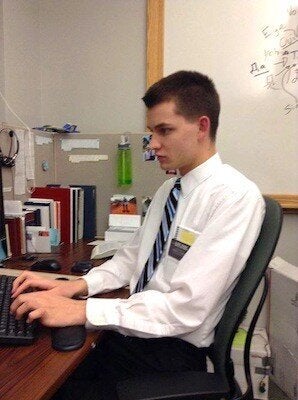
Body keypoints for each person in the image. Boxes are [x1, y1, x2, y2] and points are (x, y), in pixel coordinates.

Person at [10, 71, 265, 400]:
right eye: (151, 132)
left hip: (168, 354)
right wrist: (75, 287)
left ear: (202, 126)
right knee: (40, 367)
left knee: (38, 388)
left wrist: (83, 312)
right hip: (134, 333)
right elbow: (132, 259)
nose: (153, 144)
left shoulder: (234, 198)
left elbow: (184, 311)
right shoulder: (169, 190)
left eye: (164, 131)